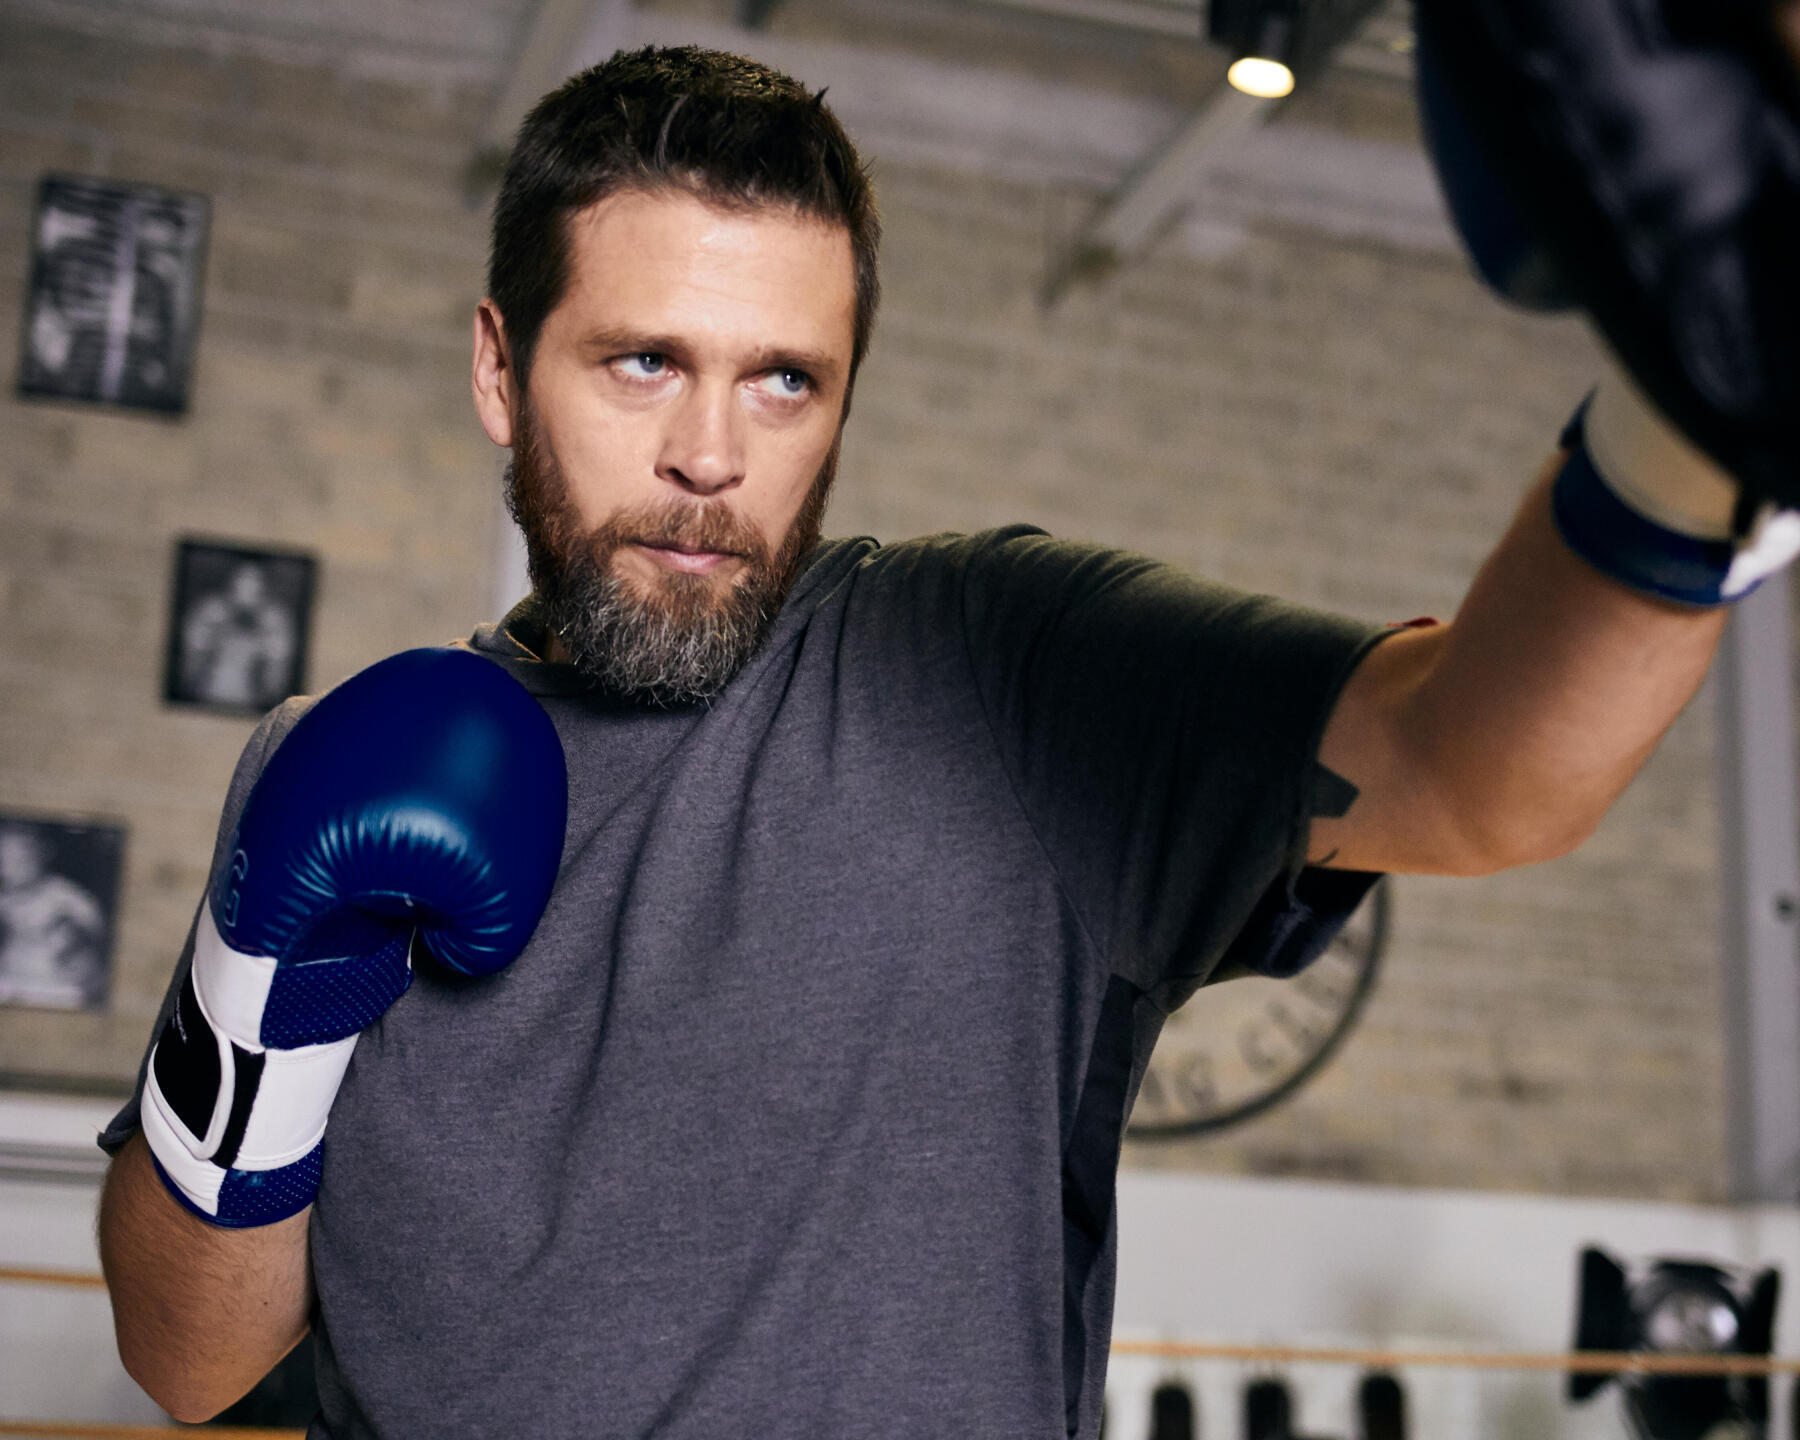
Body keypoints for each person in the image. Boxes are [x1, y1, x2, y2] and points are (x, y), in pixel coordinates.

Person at [94, 43, 1768, 1439]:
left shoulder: (995, 671)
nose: (707, 455)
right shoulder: (328, 765)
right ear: (498, 370)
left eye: (783, 383)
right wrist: (270, 984)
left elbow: (1483, 771)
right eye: (641, 362)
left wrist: (1690, 429)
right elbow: (189, 1357)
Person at [0, 822, 107, 1009]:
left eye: (20, 860)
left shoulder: (70, 899)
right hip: (9, 980)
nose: (10, 870)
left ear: (43, 854)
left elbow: (95, 951)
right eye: (4, 860)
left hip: (54, 986)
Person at [178, 560, 296, 710]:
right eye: (241, 581)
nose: (247, 589)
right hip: (206, 691)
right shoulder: (210, 611)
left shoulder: (275, 619)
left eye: (254, 583)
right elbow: (191, 655)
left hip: (253, 698)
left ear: (264, 587)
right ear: (230, 583)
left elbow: (278, 673)